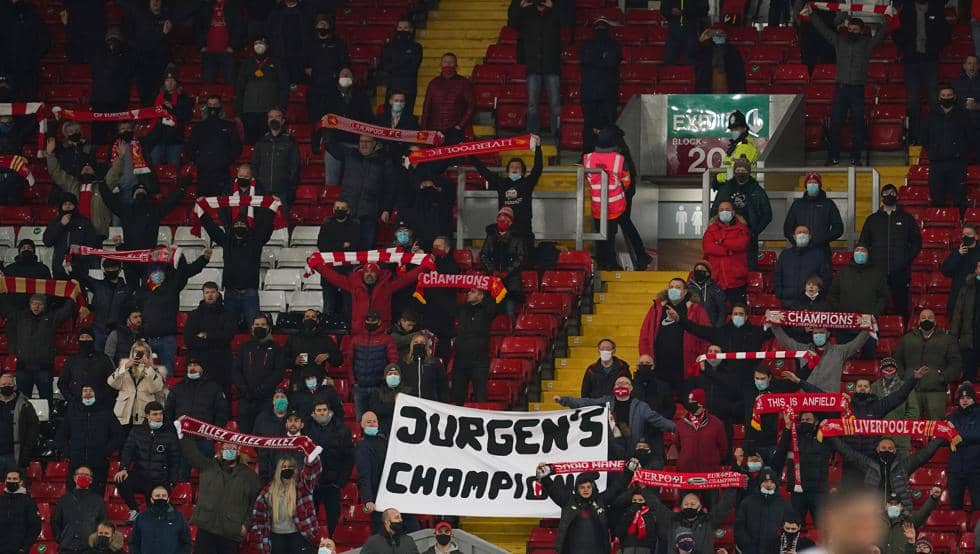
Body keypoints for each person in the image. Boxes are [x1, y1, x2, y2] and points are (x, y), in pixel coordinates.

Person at [802, 4, 889, 165]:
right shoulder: (839, 40)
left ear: (861, 30)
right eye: (850, 28)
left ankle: (855, 158)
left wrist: (889, 19)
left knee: (857, 126)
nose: (852, 31)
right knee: (836, 124)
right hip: (841, 88)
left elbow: (881, 34)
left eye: (855, 29)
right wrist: (812, 15)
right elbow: (823, 30)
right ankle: (833, 156)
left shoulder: (867, 44)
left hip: (857, 89)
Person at [555, 376, 676, 466]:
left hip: (632, 451)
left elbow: (657, 420)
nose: (621, 384)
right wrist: (565, 400)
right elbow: (586, 402)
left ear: (631, 388)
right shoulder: (606, 402)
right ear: (614, 388)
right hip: (610, 452)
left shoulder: (641, 406)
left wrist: (677, 428)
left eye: (626, 383)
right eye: (618, 383)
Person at [534, 459, 637, 554]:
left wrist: (629, 471)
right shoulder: (568, 501)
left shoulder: (601, 500)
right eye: (582, 487)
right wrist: (544, 476)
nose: (586, 490)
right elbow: (552, 489)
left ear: (593, 488)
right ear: (577, 489)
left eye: (588, 487)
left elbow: (617, 487)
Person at [180, 437, 262, 554]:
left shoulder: (250, 477)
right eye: (226, 445)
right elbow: (190, 453)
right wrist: (183, 433)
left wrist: (245, 525)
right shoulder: (208, 466)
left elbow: (255, 504)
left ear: (239, 450)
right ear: (221, 448)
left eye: (232, 446)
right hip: (206, 528)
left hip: (230, 532)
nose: (229, 448)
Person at [316, 258, 429, 337]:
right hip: (359, 332)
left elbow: (407, 279)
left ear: (378, 274)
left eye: (372, 272)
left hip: (382, 332)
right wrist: (316, 266)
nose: (369, 274)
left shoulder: (387, 286)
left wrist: (424, 267)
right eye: (367, 272)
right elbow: (333, 277)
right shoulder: (353, 285)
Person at [828, 435, 944, 512]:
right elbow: (849, 453)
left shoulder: (903, 466)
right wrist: (830, 435)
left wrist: (941, 436)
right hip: (874, 513)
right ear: (877, 450)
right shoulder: (870, 465)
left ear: (895, 451)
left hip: (900, 513)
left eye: (890, 448)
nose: (886, 450)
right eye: (883, 448)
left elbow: (923, 455)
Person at [858, 184, 922, 318]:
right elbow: (863, 243)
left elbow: (917, 242)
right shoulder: (872, 219)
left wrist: (906, 259)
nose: (889, 195)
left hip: (900, 272)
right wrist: (871, 262)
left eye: (892, 192)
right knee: (877, 308)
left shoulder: (906, 218)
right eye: (886, 193)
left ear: (897, 196)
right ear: (881, 196)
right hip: (877, 272)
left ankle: (903, 334)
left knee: (901, 307)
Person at [0, 292, 76, 403]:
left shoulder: (51, 318)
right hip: (23, 368)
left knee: (46, 400)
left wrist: (73, 296)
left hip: (44, 368)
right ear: (29, 305)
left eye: (39, 304)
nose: (36, 306)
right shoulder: (20, 317)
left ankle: (48, 420)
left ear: (44, 306)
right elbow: (5, 309)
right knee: (22, 401)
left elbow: (66, 311)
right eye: (34, 303)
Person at [640, 278, 710, 393]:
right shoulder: (656, 308)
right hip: (659, 366)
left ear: (685, 291)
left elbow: (706, 334)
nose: (673, 290)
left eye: (678, 287)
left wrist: (702, 357)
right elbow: (644, 334)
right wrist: (645, 355)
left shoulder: (696, 310)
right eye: (671, 287)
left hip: (685, 366)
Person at [583, 126, 639, 271]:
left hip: (596, 204)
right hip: (615, 205)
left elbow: (586, 179)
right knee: (610, 235)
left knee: (599, 233)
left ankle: (603, 261)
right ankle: (611, 263)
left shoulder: (588, 158)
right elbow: (626, 180)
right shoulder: (619, 159)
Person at [894, 0, 949, 145]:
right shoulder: (906, 9)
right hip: (911, 61)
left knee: (934, 100)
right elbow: (896, 31)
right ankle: (914, 137)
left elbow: (946, 33)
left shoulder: (937, 8)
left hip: (930, 61)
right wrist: (904, 47)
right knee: (913, 102)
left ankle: (938, 134)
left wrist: (935, 48)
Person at [328, 134, 398, 248]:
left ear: (375, 144)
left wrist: (386, 209)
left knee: (365, 250)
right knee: (344, 249)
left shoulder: (384, 161)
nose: (364, 144)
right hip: (347, 212)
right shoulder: (350, 154)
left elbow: (390, 188)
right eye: (361, 141)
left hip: (369, 214)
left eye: (367, 142)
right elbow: (331, 146)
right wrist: (327, 129)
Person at [114, 402, 179, 520]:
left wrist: (171, 482)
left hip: (159, 479)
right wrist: (123, 468)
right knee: (120, 479)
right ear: (147, 416)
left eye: (160, 414)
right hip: (140, 476)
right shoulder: (137, 431)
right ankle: (134, 510)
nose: (159, 417)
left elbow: (174, 459)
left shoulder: (169, 434)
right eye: (155, 414)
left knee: (154, 516)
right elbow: (128, 450)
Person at [469, 140, 542, 245]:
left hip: (524, 229)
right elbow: (484, 171)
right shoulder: (501, 183)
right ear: (508, 170)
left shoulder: (527, 183)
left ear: (523, 171)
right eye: (512, 167)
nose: (515, 169)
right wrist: (470, 154)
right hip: (505, 229)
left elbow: (537, 169)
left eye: (518, 167)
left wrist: (538, 147)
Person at [164, 358, 228, 477]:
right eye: (190, 365)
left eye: (196, 365)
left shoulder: (213, 387)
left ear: (202, 368)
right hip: (183, 439)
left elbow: (222, 412)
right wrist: (175, 431)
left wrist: (212, 434)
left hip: (205, 438)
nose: (192, 367)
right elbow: (168, 412)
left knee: (208, 475)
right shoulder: (177, 388)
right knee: (181, 474)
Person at [249, 449, 322, 554]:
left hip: (298, 534)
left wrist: (310, 459)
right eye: (283, 467)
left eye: (289, 467)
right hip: (276, 536)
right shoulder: (268, 490)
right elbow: (257, 514)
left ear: (295, 469)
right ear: (278, 470)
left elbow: (312, 472)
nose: (286, 469)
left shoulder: (302, 486)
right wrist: (260, 532)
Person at [895, 308, 963, 419]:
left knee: (936, 429)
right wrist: (904, 378)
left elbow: (956, 364)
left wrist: (942, 377)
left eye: (930, 317)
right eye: (923, 318)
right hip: (911, 391)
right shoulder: (907, 339)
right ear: (918, 321)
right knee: (911, 428)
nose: (927, 320)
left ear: (935, 321)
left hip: (936, 393)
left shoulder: (947, 340)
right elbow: (897, 360)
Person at [771, 319, 869, 393]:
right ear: (812, 334)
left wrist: (868, 327)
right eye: (815, 333)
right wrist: (773, 324)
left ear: (828, 333)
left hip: (830, 402)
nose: (818, 335)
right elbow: (786, 341)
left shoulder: (840, 351)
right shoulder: (803, 350)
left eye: (821, 332)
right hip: (807, 401)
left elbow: (857, 343)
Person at [770, 412, 833, 525]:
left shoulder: (824, 435)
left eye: (808, 419)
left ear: (816, 421)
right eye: (802, 420)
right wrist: (788, 428)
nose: (804, 422)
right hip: (798, 491)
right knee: (794, 527)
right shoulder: (792, 435)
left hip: (818, 491)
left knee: (824, 528)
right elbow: (778, 456)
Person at [56, 385, 124, 490]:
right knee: (73, 498)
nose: (87, 393)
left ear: (96, 392)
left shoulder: (106, 412)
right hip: (76, 463)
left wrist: (105, 451)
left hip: (98, 464)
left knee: (96, 498)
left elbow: (118, 435)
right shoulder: (72, 412)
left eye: (91, 390)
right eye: (84, 390)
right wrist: (69, 453)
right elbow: (61, 436)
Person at [509, 0, 561, 134]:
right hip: (533, 65)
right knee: (532, 104)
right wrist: (520, 7)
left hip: (551, 65)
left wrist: (553, 7)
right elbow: (512, 24)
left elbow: (567, 21)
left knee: (555, 105)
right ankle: (532, 134)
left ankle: (556, 133)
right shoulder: (526, 13)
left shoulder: (554, 13)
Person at [709, 158, 771, 270]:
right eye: (738, 169)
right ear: (734, 171)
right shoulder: (726, 188)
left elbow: (767, 214)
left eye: (743, 170)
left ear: (748, 172)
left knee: (747, 268)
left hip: (747, 237)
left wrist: (754, 232)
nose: (741, 172)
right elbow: (714, 211)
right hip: (726, 235)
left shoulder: (756, 190)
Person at [827, 244, 887, 357]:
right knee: (842, 359)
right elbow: (832, 295)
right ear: (853, 254)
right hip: (845, 326)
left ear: (868, 254)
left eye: (863, 250)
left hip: (868, 326)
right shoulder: (842, 273)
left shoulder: (877, 274)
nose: (860, 253)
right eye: (857, 250)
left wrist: (875, 314)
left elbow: (883, 297)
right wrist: (841, 312)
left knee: (868, 360)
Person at [44, 140, 112, 241]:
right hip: (74, 232)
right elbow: (56, 173)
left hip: (96, 233)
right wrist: (50, 154)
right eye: (84, 167)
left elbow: (114, 175)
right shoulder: (72, 184)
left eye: (89, 168)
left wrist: (120, 159)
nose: (86, 169)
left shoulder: (102, 187)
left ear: (95, 171)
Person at [316, 67, 374, 183]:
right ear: (338, 78)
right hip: (333, 145)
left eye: (348, 75)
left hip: (355, 145)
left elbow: (369, 120)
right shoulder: (329, 96)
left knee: (355, 182)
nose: (345, 77)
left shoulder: (361, 96)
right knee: (331, 182)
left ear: (353, 78)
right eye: (343, 75)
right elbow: (321, 119)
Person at [305, 400, 353, 536]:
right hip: (312, 485)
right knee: (308, 521)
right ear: (313, 412)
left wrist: (340, 482)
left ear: (329, 411)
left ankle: (331, 544)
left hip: (333, 485)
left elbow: (349, 458)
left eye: (324, 410)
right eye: (318, 410)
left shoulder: (342, 429)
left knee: (333, 522)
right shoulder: (306, 428)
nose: (322, 413)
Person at [233, 315, 286, 433]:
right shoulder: (244, 347)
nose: (259, 327)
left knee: (263, 433)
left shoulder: (276, 348)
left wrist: (262, 389)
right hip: (246, 398)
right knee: (245, 436)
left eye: (263, 325)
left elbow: (279, 372)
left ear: (268, 328)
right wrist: (244, 388)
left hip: (266, 399)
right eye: (257, 325)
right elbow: (236, 370)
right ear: (252, 327)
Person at [926, 84, 973, 215]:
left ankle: (961, 228)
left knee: (960, 199)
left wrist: (961, 152)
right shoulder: (931, 116)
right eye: (944, 96)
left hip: (958, 163)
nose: (947, 98)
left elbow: (970, 137)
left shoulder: (963, 115)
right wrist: (934, 151)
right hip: (937, 163)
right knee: (937, 199)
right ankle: (936, 232)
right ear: (939, 97)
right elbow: (924, 137)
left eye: (949, 95)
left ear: (954, 97)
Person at [644, 489, 737, 554]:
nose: (689, 506)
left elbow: (725, 504)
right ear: (681, 507)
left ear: (699, 507)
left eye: (693, 504)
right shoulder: (672, 520)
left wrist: (733, 485)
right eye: (686, 504)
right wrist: (644, 489)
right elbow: (655, 506)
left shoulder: (709, 521)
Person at [579, 16, 621, 154]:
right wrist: (602, 58)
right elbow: (587, 60)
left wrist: (596, 59)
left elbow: (612, 62)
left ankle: (608, 155)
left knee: (608, 127)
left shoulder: (614, 46)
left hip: (605, 95)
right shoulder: (586, 45)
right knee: (590, 127)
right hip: (592, 94)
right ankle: (587, 156)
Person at [183, 284, 237, 391]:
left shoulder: (227, 314)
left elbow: (227, 337)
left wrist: (205, 336)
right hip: (200, 363)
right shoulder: (195, 315)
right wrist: (215, 339)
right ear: (203, 295)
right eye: (207, 292)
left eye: (212, 292)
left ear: (218, 293)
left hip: (222, 365)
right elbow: (189, 340)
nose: (210, 295)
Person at [186, 95, 243, 196]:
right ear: (206, 107)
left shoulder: (229, 126)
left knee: (222, 204)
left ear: (220, 106)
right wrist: (200, 161)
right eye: (210, 105)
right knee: (204, 204)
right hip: (204, 172)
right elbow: (190, 148)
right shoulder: (199, 127)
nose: (213, 108)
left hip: (222, 172)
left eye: (215, 105)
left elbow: (237, 148)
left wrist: (225, 161)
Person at [237, 36, 289, 144]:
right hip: (249, 112)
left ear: (267, 45)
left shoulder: (277, 63)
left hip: (269, 112)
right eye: (256, 43)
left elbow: (284, 87)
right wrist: (239, 110)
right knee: (250, 143)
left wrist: (281, 108)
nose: (259, 45)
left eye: (262, 42)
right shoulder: (246, 64)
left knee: (269, 142)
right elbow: (240, 88)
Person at [783, 172, 843, 264]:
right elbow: (787, 227)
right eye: (809, 182)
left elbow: (838, 228)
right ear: (806, 185)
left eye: (815, 182)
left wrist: (823, 239)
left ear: (819, 185)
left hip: (822, 250)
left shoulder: (828, 204)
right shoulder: (797, 204)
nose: (812, 184)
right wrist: (796, 240)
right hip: (799, 251)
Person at [120, 0, 173, 106]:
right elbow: (142, 42)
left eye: (158, 0)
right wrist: (161, 33)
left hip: (160, 66)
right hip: (143, 66)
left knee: (160, 99)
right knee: (146, 99)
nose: (156, 2)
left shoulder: (167, 17)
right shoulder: (141, 17)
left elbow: (168, 44)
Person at [89, 28, 136, 144]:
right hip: (102, 102)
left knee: (118, 137)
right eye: (110, 41)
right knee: (98, 137)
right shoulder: (98, 55)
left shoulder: (126, 56)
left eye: (115, 41)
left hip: (117, 102)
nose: (112, 44)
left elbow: (127, 75)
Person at [316, 199, 361, 319]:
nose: (339, 211)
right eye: (337, 208)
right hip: (329, 270)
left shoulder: (355, 225)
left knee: (349, 307)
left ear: (348, 211)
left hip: (348, 271)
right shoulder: (326, 225)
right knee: (328, 307)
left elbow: (357, 246)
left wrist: (335, 247)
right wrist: (342, 245)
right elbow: (322, 245)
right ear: (333, 209)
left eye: (342, 209)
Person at [350, 312, 400, 418]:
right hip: (359, 387)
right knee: (360, 421)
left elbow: (393, 363)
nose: (370, 322)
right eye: (368, 320)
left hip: (379, 389)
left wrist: (386, 383)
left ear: (379, 322)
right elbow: (349, 361)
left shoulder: (387, 339)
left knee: (378, 420)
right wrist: (353, 382)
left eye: (373, 320)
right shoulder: (356, 339)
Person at [453, 287, 497, 404]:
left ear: (481, 295)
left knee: (480, 395)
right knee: (457, 396)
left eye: (473, 292)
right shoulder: (463, 309)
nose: (468, 293)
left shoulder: (487, 309)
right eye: (468, 291)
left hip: (479, 360)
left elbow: (494, 306)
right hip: (461, 358)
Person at [734, 467, 794, 554]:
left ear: (776, 484)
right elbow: (739, 527)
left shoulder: (785, 504)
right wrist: (747, 546)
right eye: (765, 481)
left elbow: (790, 528)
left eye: (772, 482)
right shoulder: (747, 502)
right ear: (760, 483)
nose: (769, 485)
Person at [108, 341, 167, 429]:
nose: (139, 354)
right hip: (123, 413)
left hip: (143, 414)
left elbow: (154, 389)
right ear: (132, 353)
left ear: (148, 354)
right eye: (137, 352)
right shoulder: (124, 368)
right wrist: (125, 367)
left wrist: (148, 368)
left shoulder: (156, 371)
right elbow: (111, 382)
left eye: (142, 352)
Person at [252, 107, 300, 213]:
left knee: (282, 227)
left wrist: (285, 193)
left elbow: (295, 168)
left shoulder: (290, 142)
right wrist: (260, 189)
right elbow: (254, 166)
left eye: (277, 116)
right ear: (267, 121)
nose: (273, 119)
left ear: (283, 121)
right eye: (270, 117)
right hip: (262, 193)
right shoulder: (261, 142)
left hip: (283, 194)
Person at [702, 200, 751, 305]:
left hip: (737, 281)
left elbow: (741, 244)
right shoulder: (711, 229)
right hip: (716, 279)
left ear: (733, 212)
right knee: (716, 314)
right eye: (721, 210)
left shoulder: (742, 229)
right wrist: (728, 250)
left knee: (738, 310)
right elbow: (708, 247)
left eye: (727, 209)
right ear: (718, 213)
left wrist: (721, 241)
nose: (724, 212)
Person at [43, 192, 100, 280]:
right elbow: (47, 241)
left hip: (80, 267)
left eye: (70, 204)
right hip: (59, 267)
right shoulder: (55, 222)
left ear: (75, 206)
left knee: (79, 292)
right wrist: (61, 225)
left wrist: (80, 259)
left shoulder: (84, 222)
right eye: (65, 204)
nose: (68, 206)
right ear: (61, 206)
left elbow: (91, 245)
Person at [0, 0, 50, 100]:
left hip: (27, 74)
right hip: (7, 72)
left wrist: (31, 59)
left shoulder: (31, 11)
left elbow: (44, 40)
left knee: (26, 108)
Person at [420, 53, 475, 143]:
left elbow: (471, 105)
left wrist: (460, 125)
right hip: (434, 129)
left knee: (453, 156)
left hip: (454, 130)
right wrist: (424, 129)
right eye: (445, 62)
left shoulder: (463, 82)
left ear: (456, 65)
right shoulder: (433, 83)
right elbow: (426, 107)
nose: (448, 64)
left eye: (451, 62)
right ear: (441, 64)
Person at [480, 206, 526, 313]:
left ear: (510, 222)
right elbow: (483, 255)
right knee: (490, 310)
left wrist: (507, 271)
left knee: (509, 310)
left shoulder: (518, 238)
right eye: (499, 218)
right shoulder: (490, 237)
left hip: (511, 283)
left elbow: (521, 257)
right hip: (494, 281)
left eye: (505, 219)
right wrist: (492, 271)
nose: (502, 221)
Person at [52, 466, 108, 554]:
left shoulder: (98, 500)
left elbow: (104, 523)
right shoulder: (64, 499)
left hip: (90, 549)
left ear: (91, 480)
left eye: (86, 475)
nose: (83, 477)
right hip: (67, 547)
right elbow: (55, 521)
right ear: (74, 478)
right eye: (80, 474)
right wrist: (61, 538)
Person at [773, 225, 833, 308]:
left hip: (811, 304)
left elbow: (826, 278)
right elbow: (777, 276)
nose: (802, 234)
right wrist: (781, 293)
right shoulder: (785, 255)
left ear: (810, 236)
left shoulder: (819, 255)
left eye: (805, 232)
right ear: (794, 237)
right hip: (787, 303)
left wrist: (817, 296)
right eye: (799, 232)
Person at [870, 359, 921, 452]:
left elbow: (913, 412)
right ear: (881, 369)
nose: (889, 369)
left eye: (892, 367)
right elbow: (869, 412)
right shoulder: (873, 387)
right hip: (878, 441)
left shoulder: (906, 386)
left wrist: (899, 429)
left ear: (896, 370)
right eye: (886, 367)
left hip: (901, 442)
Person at [144, 69, 193, 166]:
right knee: (155, 169)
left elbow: (187, 116)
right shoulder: (156, 96)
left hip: (175, 140)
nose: (170, 83)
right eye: (167, 80)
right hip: (157, 139)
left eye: (172, 80)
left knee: (174, 171)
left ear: (176, 82)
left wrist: (173, 108)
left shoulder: (183, 97)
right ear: (164, 82)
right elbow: (147, 112)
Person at [59, 328, 117, 406]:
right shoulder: (72, 360)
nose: (85, 340)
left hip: (100, 405)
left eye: (87, 337)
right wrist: (71, 399)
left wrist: (103, 398)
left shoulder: (103, 359)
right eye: (82, 337)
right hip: (77, 405)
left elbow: (112, 381)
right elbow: (62, 382)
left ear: (93, 339)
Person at [284, 310, 343, 386]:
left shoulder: (325, 339)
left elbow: (339, 360)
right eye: (307, 317)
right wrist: (294, 361)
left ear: (317, 321)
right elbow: (282, 359)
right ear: (303, 320)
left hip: (319, 381)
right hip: (298, 380)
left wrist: (328, 356)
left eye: (313, 317)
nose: (310, 319)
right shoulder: (293, 338)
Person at [946, 382, 980, 511]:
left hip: (976, 470)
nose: (965, 400)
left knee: (978, 507)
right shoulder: (952, 416)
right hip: (955, 470)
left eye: (968, 398)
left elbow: (977, 434)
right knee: (954, 508)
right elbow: (945, 439)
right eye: (962, 398)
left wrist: (956, 434)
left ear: (973, 399)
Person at [675, 388, 727, 473]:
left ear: (702, 405)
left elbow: (723, 449)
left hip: (709, 473)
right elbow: (678, 446)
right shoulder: (680, 424)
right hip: (686, 473)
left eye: (696, 404)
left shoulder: (717, 424)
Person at [130, 485, 192, 554]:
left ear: (168, 499)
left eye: (163, 496)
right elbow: (134, 543)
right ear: (151, 499)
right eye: (157, 496)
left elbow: (186, 543)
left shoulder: (179, 518)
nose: (161, 498)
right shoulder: (141, 518)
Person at [194, 0, 244, 84]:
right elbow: (197, 27)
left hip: (227, 52)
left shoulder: (234, 7)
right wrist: (201, 45)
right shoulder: (205, 7)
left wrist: (233, 46)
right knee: (207, 83)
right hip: (209, 52)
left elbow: (239, 27)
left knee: (230, 82)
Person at [265, 0, 312, 86]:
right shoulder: (275, 12)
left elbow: (309, 37)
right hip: (280, 56)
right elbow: (269, 34)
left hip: (299, 57)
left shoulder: (306, 12)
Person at [354, 412, 388, 532]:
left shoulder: (385, 441)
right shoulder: (362, 446)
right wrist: (368, 499)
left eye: (374, 421)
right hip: (377, 496)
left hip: (390, 493)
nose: (372, 424)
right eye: (369, 422)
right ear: (362, 425)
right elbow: (364, 475)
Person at [380, 19, 422, 111]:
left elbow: (413, 67)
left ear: (411, 30)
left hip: (409, 89)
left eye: (405, 28)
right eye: (400, 28)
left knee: (407, 118)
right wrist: (405, 61)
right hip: (392, 88)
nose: (402, 30)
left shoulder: (417, 47)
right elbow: (386, 67)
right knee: (389, 117)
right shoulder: (388, 46)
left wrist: (396, 64)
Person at [0, 374, 38, 474]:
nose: (6, 386)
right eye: (3, 384)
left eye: (9, 384)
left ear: (15, 386)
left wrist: (25, 452)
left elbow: (33, 428)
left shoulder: (25, 404)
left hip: (15, 456)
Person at [0, 468, 41, 554]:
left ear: (21, 482)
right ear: (5, 481)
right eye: (9, 479)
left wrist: (24, 547)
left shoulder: (29, 502)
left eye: (14, 479)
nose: (11, 481)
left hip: (19, 550)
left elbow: (35, 527)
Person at [399, 332, 449, 402]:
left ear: (426, 346)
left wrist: (444, 402)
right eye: (416, 342)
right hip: (410, 404)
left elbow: (442, 385)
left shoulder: (435, 363)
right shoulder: (403, 363)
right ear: (411, 345)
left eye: (422, 342)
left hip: (430, 405)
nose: (419, 344)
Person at [694, 26, 745, 93]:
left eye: (721, 33)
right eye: (715, 33)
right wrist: (702, 39)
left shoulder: (732, 51)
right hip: (709, 90)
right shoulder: (705, 50)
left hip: (728, 90)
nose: (718, 35)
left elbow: (739, 74)